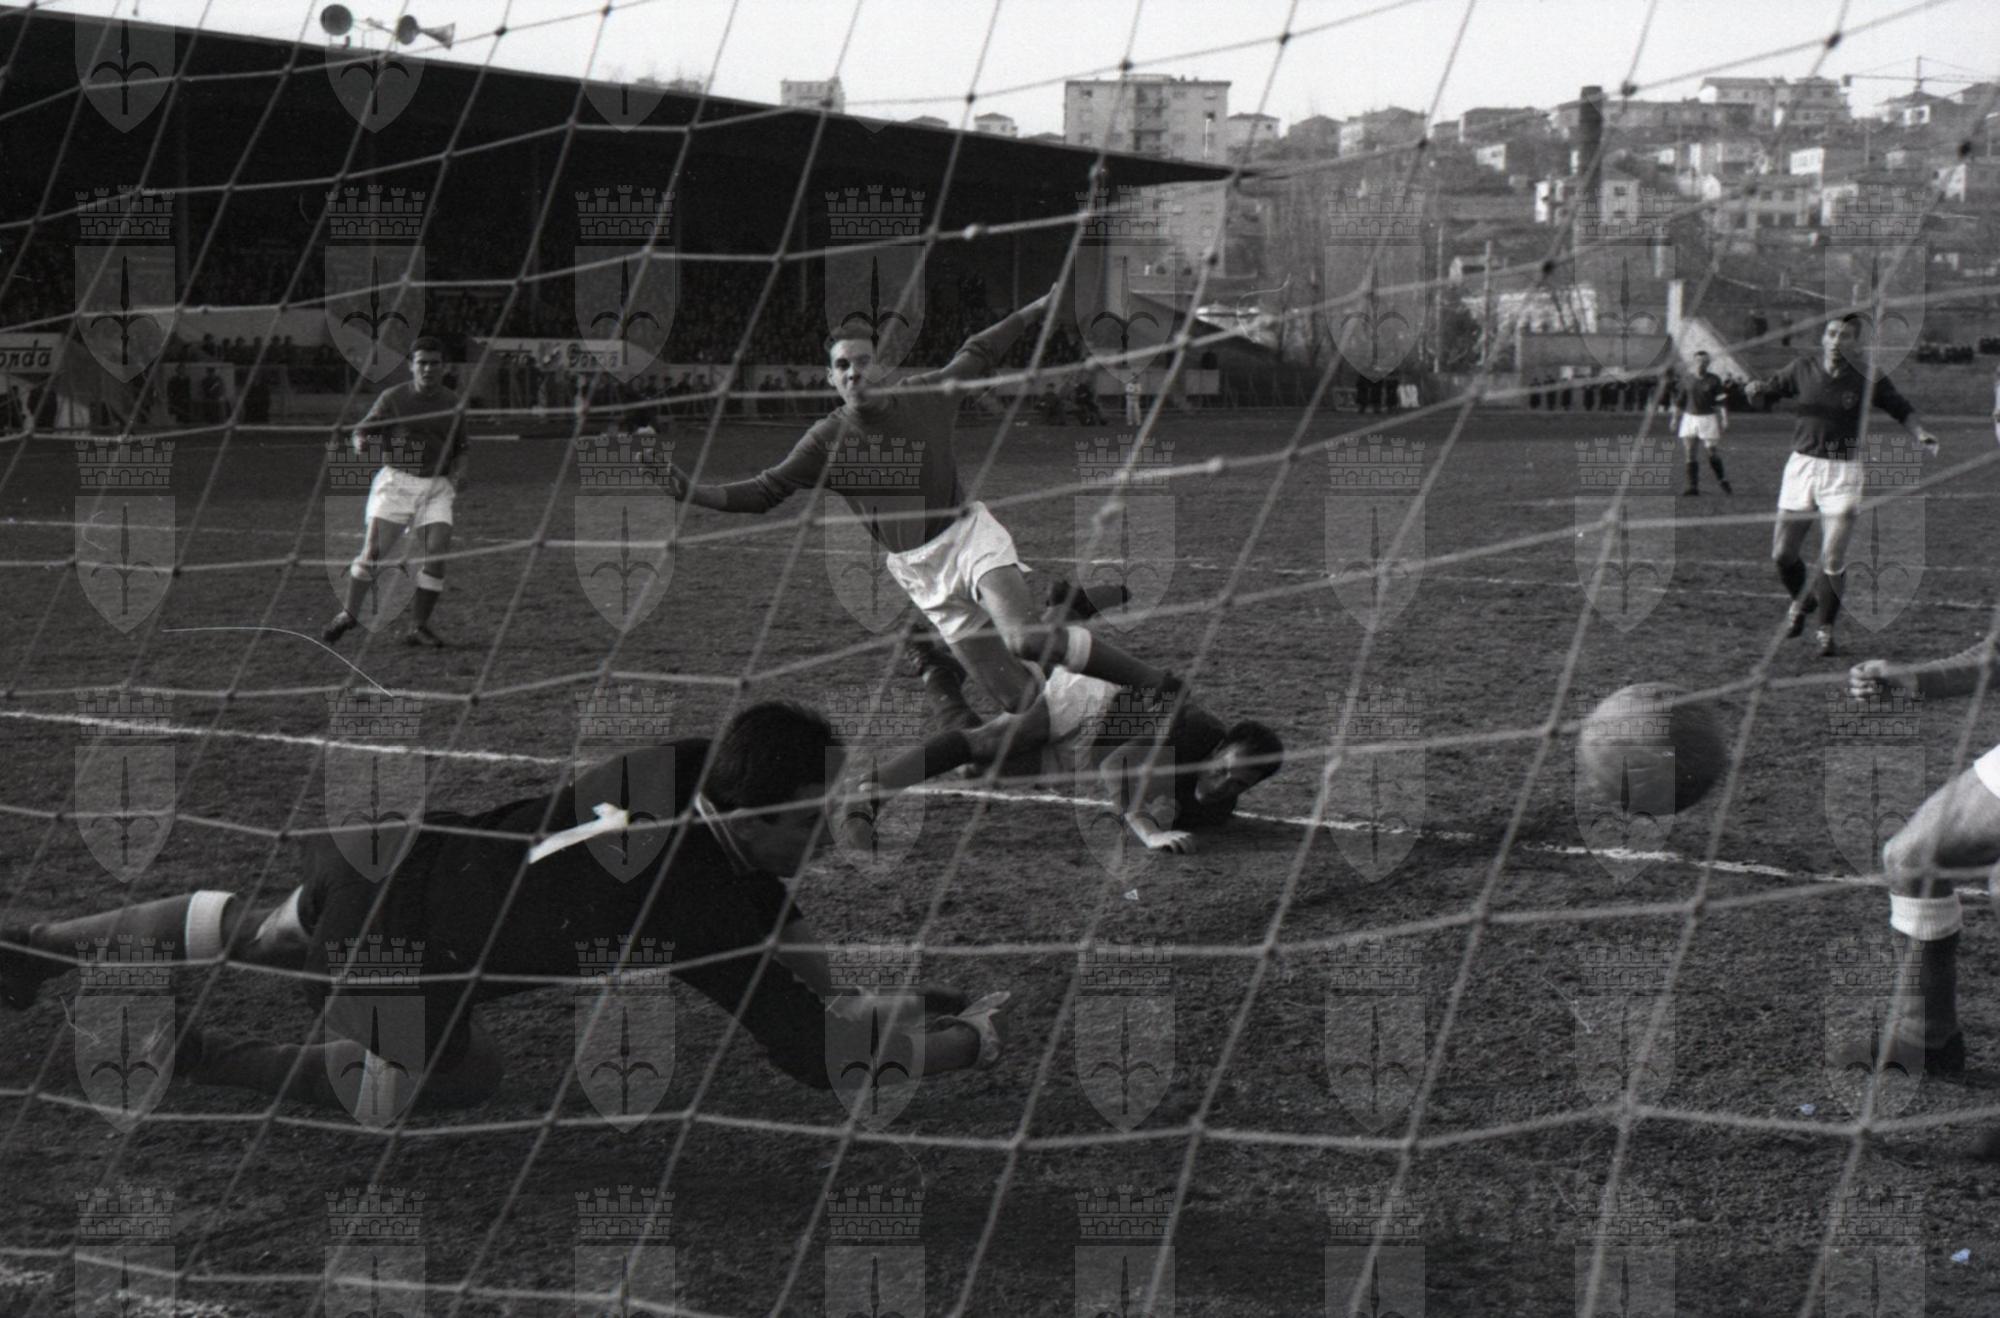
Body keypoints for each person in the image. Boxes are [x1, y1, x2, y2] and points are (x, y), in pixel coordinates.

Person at [0, 702, 1007, 1117]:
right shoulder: (701, 906)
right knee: (462, 1075)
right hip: (414, 951)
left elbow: (769, 903)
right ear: (752, 816)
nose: (828, 835)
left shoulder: (694, 763)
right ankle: (203, 1056)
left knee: (256, 931)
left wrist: (864, 988)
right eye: (813, 820)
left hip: (391, 853)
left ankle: (37, 944)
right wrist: (971, 1042)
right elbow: (815, 1055)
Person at [661, 288, 1183, 716]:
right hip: (918, 572)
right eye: (843, 365)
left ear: (883, 367)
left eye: (864, 362)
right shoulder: (824, 440)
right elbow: (764, 491)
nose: (854, 372)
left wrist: (1037, 309)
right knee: (1023, 703)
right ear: (831, 378)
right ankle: (1045, 619)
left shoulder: (926, 395)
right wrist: (689, 491)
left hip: (968, 540)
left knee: (1024, 641)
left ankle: (1159, 685)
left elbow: (978, 352)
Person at [847, 581, 1284, 856]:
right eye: (1224, 770)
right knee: (995, 735)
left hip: (1083, 754)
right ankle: (870, 791)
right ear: (1218, 748)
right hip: (1099, 706)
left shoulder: (1217, 810)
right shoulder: (1193, 732)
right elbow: (1118, 767)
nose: (1224, 784)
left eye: (1238, 784)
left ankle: (937, 671)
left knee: (975, 768)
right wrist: (1149, 832)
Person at [1746, 313, 1940, 658]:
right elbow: (1764, 398)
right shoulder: (1801, 368)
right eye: (1832, 333)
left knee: (1832, 557)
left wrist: (1920, 433)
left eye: (1845, 336)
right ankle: (1802, 601)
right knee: (1782, 554)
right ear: (1823, 337)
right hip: (1802, 466)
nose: (1837, 341)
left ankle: (1825, 629)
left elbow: (1901, 408)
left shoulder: (1868, 375)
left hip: (1843, 471)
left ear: (1856, 342)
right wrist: (1753, 393)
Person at [321, 338, 469, 649]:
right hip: (397, 484)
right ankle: (349, 614)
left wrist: (461, 472)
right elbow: (361, 431)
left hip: (437, 487)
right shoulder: (393, 398)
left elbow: (461, 447)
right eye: (422, 362)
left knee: (436, 555)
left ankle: (418, 627)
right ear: (411, 365)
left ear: (444, 367)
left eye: (434, 363)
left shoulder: (453, 402)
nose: (428, 368)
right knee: (373, 553)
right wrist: (360, 443)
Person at [1669, 350, 1732, 497]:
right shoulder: (1687, 379)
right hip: (1689, 418)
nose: (1701, 364)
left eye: (1705, 361)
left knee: (1712, 452)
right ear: (1694, 362)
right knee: (1690, 452)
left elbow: (1721, 402)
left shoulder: (1714, 380)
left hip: (1708, 418)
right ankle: (1692, 487)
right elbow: (1679, 402)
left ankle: (1722, 479)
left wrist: (1724, 419)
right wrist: (1674, 419)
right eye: (1699, 361)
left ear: (1708, 363)